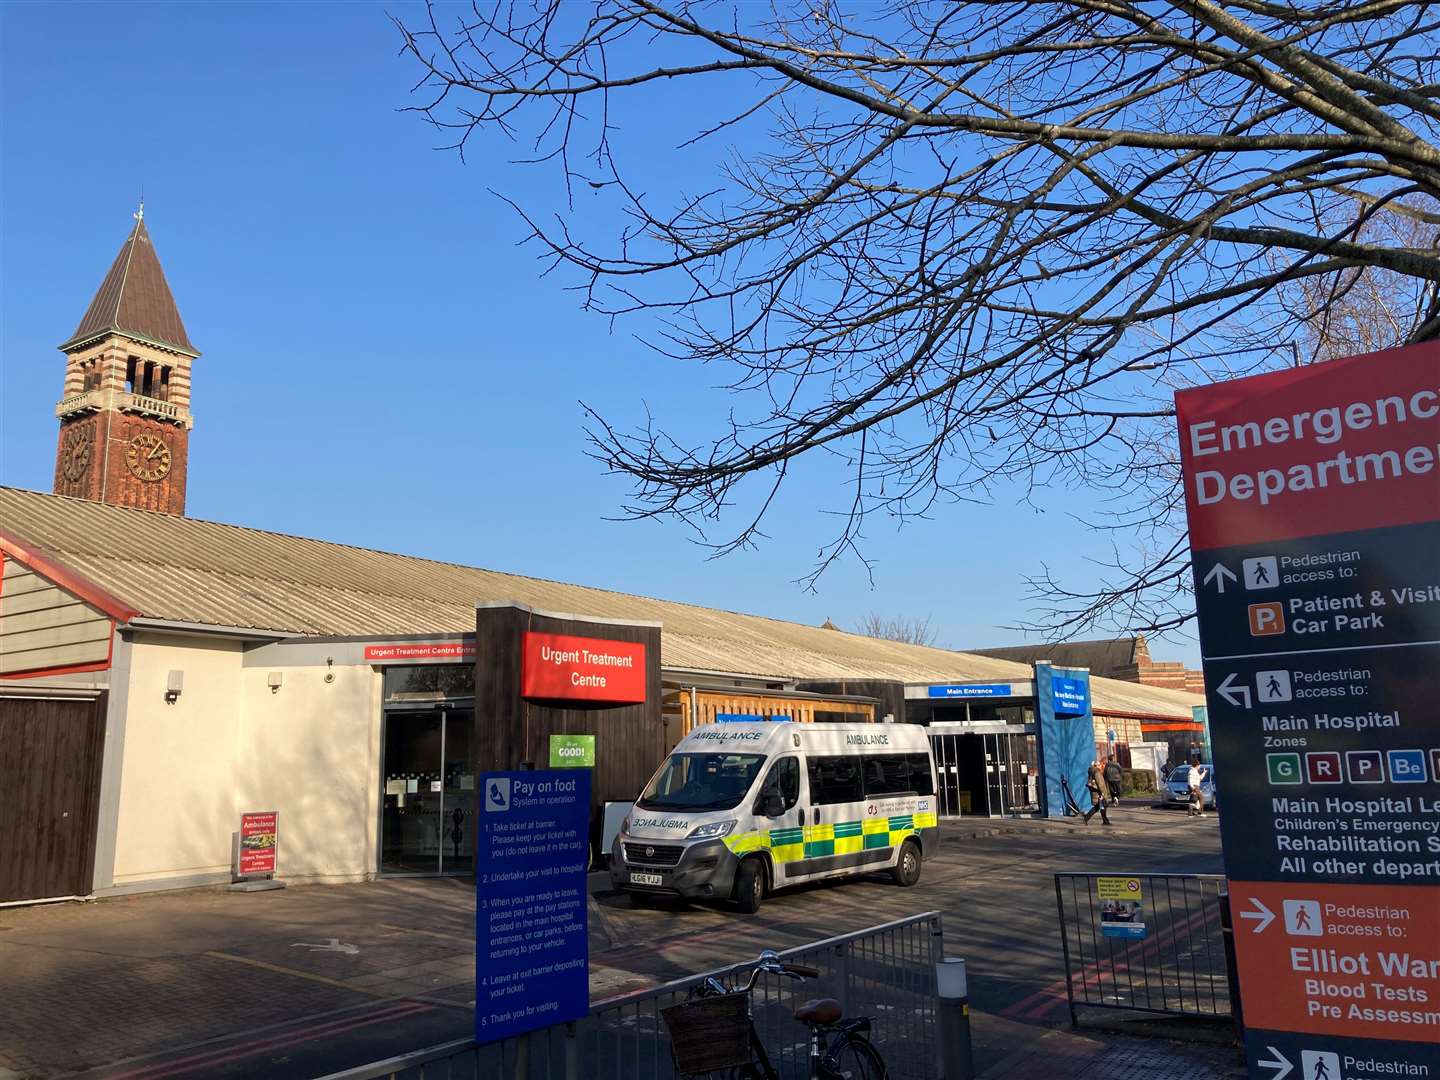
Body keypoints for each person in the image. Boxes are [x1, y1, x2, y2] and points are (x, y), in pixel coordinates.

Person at [1083, 759, 1111, 825]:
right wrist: (1102, 793)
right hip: (1099, 793)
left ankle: (1105, 821)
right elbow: (1100, 784)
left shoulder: (1091, 772)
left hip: (1096, 792)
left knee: (1100, 806)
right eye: (1099, 765)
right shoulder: (1096, 772)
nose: (1100, 766)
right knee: (1100, 806)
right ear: (1096, 766)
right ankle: (1086, 818)